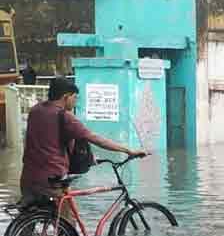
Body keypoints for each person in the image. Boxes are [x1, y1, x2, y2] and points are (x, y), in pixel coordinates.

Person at [19, 78, 145, 210]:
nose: (75, 101)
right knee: (68, 224)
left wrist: (89, 158)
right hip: (52, 180)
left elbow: (49, 141)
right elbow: (95, 139)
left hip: (28, 176)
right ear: (65, 97)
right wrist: (128, 150)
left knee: (26, 221)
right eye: (75, 98)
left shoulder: (35, 110)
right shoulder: (64, 116)